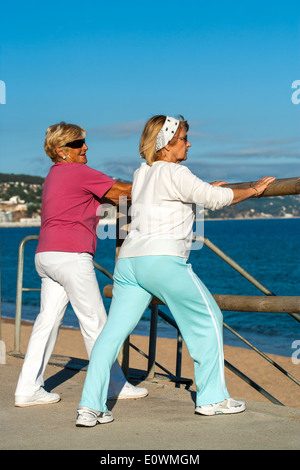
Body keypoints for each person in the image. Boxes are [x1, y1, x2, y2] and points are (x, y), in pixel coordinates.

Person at [76, 115, 275, 427]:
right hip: (162, 261)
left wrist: (202, 188)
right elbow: (215, 199)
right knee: (210, 318)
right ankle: (212, 399)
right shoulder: (175, 170)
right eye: (183, 138)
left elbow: (171, 198)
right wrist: (254, 190)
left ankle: (90, 406)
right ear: (166, 145)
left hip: (129, 263)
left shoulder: (142, 173)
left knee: (112, 334)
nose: (189, 143)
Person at [15, 122, 148, 407]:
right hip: (71, 256)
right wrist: (170, 184)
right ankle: (114, 385)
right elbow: (123, 191)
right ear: (62, 151)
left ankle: (27, 388)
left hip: (46, 256)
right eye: (78, 144)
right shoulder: (79, 172)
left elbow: (96, 199)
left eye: (84, 142)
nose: (85, 147)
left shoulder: (53, 176)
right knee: (96, 322)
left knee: (46, 322)